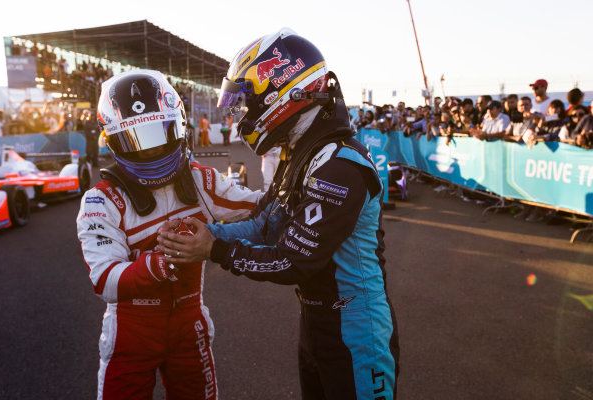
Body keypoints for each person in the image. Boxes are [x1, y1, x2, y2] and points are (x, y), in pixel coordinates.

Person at [156, 28, 400, 400]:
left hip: (357, 332)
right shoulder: (301, 152)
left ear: (281, 93)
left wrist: (213, 250)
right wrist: (207, 232)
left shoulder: (339, 165)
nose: (241, 114)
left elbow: (293, 262)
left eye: (246, 102)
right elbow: (266, 225)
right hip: (317, 324)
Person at [76, 69, 262, 400]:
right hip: (130, 334)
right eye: (137, 141)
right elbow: (104, 280)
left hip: (189, 326)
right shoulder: (100, 200)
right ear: (114, 139)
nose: (150, 151)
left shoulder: (202, 181)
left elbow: (259, 208)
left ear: (178, 127)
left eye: (158, 135)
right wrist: (155, 265)